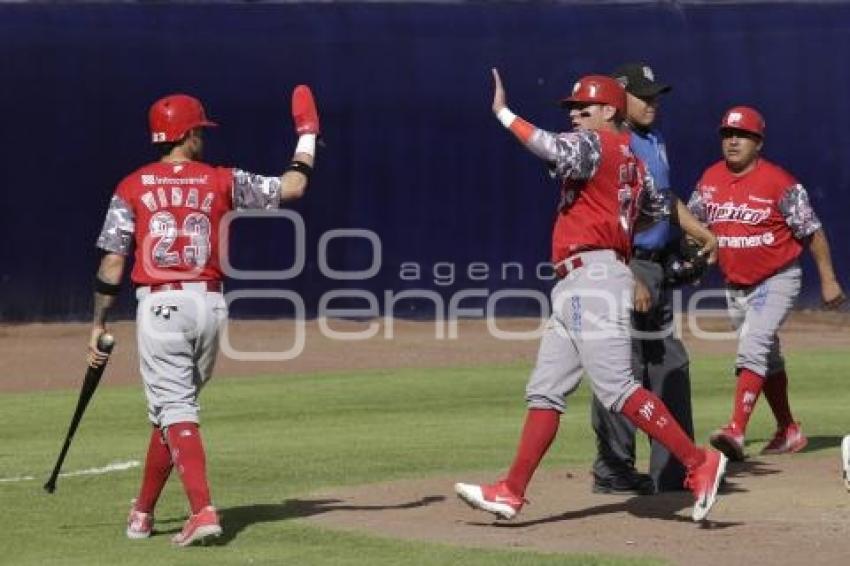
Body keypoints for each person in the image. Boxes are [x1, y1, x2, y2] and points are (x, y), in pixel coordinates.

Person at [454, 68, 727, 523]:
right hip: (585, 278)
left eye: (584, 107)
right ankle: (511, 490)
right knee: (545, 391)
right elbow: (650, 215)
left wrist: (502, 113)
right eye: (572, 108)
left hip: (591, 279)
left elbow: (548, 145)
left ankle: (700, 463)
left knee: (618, 388)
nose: (575, 114)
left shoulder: (596, 144)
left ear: (610, 111)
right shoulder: (633, 161)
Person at [88, 88, 319, 546]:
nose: (203, 138)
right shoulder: (218, 179)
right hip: (209, 305)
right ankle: (142, 513)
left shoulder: (131, 186)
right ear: (188, 134)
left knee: (175, 409)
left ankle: (202, 511)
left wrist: (98, 322)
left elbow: (113, 263)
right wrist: (307, 135)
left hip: (160, 306)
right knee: (174, 411)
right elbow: (293, 187)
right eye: (200, 131)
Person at [687, 106, 846, 461]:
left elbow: (811, 231)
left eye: (742, 135)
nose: (733, 141)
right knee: (767, 358)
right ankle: (788, 429)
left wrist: (828, 278)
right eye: (727, 134)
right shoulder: (710, 179)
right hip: (736, 285)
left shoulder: (780, 182)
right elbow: (695, 225)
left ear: (758, 143)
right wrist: (694, 253)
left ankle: (736, 430)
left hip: (777, 278)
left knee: (754, 344)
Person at [589, 63, 693, 495]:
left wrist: (697, 235)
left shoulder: (653, 139)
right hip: (625, 262)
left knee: (668, 363)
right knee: (623, 366)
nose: (652, 103)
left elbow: (662, 200)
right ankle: (613, 466)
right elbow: (606, 214)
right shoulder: (612, 143)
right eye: (643, 96)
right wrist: (625, 270)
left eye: (656, 96)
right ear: (619, 99)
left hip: (656, 261)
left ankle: (672, 470)